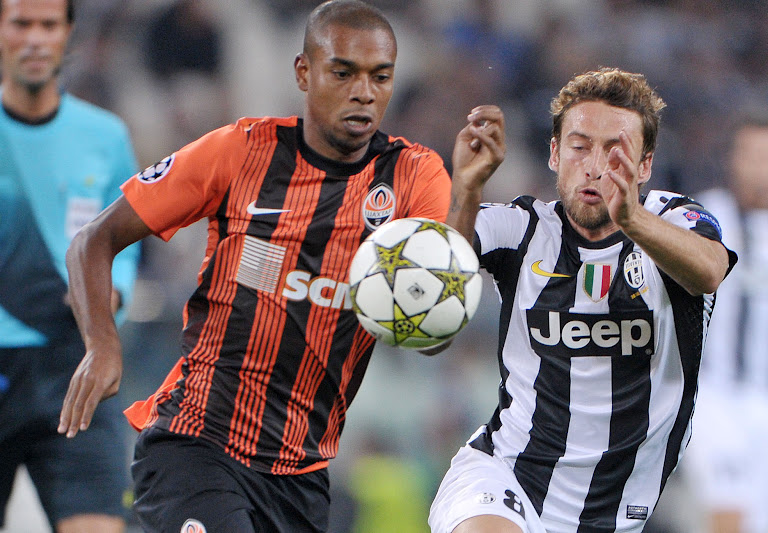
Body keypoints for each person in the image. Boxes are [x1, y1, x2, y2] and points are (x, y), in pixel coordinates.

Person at [57, 1, 505, 532]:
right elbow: (94, 240)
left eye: (380, 77)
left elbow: (432, 335)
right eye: (344, 73)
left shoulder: (413, 174)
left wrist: (469, 193)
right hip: (196, 445)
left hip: (302, 475)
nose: (364, 92)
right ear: (304, 72)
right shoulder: (240, 151)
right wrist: (102, 346)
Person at [430, 67, 738, 533]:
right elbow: (437, 277)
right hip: (505, 477)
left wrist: (631, 219)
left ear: (645, 166)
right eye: (579, 147)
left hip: (614, 511)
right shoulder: (523, 228)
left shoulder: (673, 220)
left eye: (616, 152)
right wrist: (468, 189)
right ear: (555, 153)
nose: (595, 167)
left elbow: (710, 271)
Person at [0, 0, 140, 531]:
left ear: (68, 33)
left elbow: (126, 238)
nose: (35, 38)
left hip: (75, 363)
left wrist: (115, 293)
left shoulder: (105, 136)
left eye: (48, 24)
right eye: (21, 23)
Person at [679, 116, 768, 533]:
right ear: (735, 160)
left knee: (761, 524)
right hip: (715, 396)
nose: (765, 168)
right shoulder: (705, 219)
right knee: (729, 516)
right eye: (755, 155)